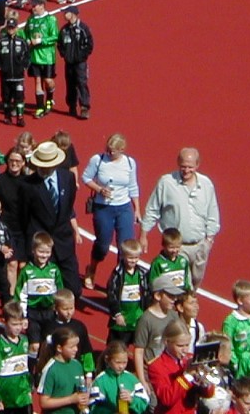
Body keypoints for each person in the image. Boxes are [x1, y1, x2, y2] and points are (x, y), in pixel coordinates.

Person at [140, 148, 221, 287]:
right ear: (178, 163)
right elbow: (152, 209)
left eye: (190, 167)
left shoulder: (206, 184)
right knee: (181, 284)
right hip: (177, 246)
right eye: (183, 166)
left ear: (197, 165)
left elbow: (212, 211)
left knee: (195, 282)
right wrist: (143, 235)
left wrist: (209, 239)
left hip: (200, 245)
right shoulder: (166, 182)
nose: (186, 170)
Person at [19, 141, 81, 298]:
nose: (44, 169)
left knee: (74, 289)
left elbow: (68, 206)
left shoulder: (68, 177)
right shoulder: (27, 185)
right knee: (45, 292)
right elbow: (24, 216)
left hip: (64, 241)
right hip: (41, 243)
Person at [82, 134, 141, 290]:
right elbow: (86, 178)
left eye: (112, 151)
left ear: (121, 150)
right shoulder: (98, 160)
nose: (108, 153)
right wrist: (100, 189)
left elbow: (133, 186)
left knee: (125, 246)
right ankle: (92, 268)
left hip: (124, 208)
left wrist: (137, 210)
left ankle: (120, 280)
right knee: (102, 245)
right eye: (107, 149)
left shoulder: (129, 163)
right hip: (104, 208)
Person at [149, 319, 215, 414]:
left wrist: (205, 381)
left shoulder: (190, 359)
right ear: (167, 342)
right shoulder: (156, 366)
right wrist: (187, 376)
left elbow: (208, 394)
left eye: (187, 345)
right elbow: (167, 398)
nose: (185, 350)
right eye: (180, 346)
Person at [0, 300, 34, 414]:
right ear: (5, 321)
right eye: (14, 324)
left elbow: (26, 368)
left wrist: (29, 387)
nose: (18, 328)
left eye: (20, 324)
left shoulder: (25, 341)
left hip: (22, 396)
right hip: (5, 398)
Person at [106, 239, 151, 345]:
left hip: (137, 317)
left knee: (140, 346)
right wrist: (117, 314)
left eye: (136, 258)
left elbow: (147, 293)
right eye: (130, 258)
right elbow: (111, 294)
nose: (133, 261)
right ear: (123, 256)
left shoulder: (142, 274)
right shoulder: (118, 274)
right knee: (116, 348)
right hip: (122, 320)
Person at [36, 325, 88, 414]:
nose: (76, 349)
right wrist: (71, 399)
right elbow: (44, 402)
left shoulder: (77, 365)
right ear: (59, 348)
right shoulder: (51, 369)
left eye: (76, 346)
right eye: (71, 347)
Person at [21, 0, 59, 119]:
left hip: (47, 56)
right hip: (34, 56)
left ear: (42, 5)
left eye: (34, 6)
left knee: (48, 80)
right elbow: (26, 32)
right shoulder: (31, 19)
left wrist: (41, 40)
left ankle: (50, 99)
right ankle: (40, 107)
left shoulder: (50, 19)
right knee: (37, 80)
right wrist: (26, 40)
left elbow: (55, 36)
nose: (32, 8)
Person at [0, 10, 32, 126]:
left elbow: (27, 55)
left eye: (13, 28)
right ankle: (7, 116)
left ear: (16, 28)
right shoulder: (1, 41)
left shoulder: (21, 41)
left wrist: (24, 66)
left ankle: (20, 117)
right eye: (9, 28)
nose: (11, 30)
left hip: (18, 75)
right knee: (6, 97)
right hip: (5, 75)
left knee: (19, 96)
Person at [91, 340, 150, 414]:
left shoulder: (132, 379)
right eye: (118, 362)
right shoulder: (100, 381)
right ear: (107, 360)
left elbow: (145, 402)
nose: (121, 366)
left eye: (124, 362)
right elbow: (93, 407)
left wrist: (132, 400)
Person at [57, 5, 94, 120]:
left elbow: (89, 45)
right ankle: (72, 105)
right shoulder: (64, 30)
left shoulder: (83, 28)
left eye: (66, 13)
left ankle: (84, 107)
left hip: (80, 63)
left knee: (82, 83)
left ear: (72, 14)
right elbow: (60, 44)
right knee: (70, 84)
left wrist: (81, 56)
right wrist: (65, 55)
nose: (64, 15)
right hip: (69, 63)